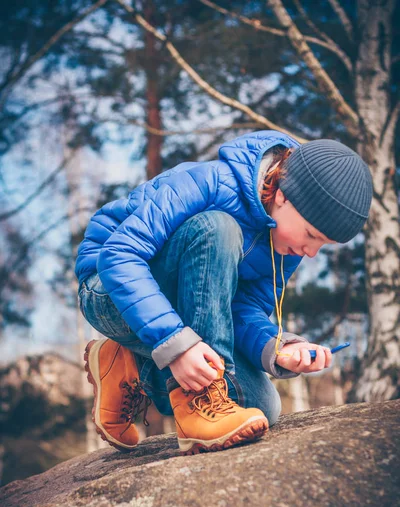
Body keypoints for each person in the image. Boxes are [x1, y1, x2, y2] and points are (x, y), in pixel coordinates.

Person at [76, 129, 373, 455]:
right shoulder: (209, 182)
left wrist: (276, 348)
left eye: (323, 245)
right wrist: (176, 348)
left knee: (261, 405)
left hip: (178, 316)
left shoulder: (287, 247)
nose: (312, 252)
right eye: (311, 236)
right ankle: (199, 401)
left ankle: (126, 364)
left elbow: (242, 308)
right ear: (284, 196)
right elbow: (120, 256)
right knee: (219, 228)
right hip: (108, 292)